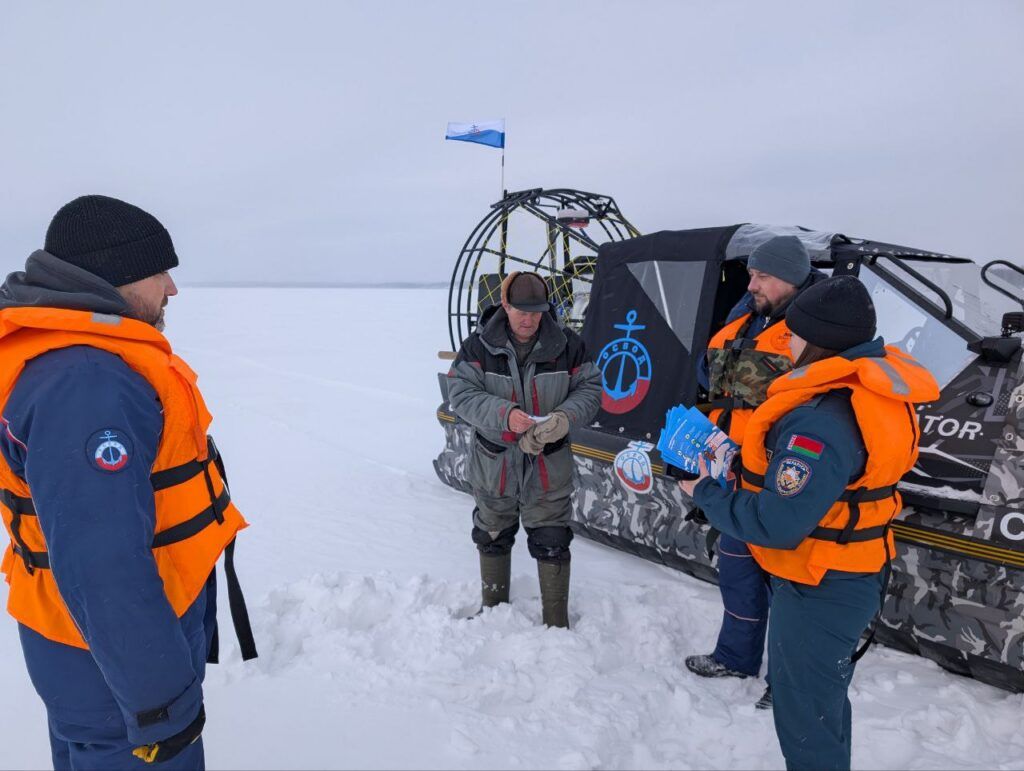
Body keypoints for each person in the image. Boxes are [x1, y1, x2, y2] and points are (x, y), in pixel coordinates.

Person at [0, 195, 256, 769]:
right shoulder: (86, 382)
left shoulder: (73, 360)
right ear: (111, 275)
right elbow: (102, 564)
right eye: (158, 272)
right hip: (115, 674)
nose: (171, 289)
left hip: (92, 654)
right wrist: (159, 704)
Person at [679, 275, 939, 770]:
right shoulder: (866, 388)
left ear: (819, 340)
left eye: (795, 334)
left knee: (806, 725)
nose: (787, 342)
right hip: (844, 569)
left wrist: (706, 491)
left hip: (820, 580)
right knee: (820, 709)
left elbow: (779, 523)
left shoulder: (820, 419)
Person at [688, 235, 823, 709]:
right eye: (752, 274)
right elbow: (711, 376)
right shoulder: (745, 317)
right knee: (738, 569)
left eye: (762, 275)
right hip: (732, 466)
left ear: (789, 276)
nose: (752, 283)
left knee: (787, 581)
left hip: (784, 474)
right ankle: (735, 656)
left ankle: (787, 681)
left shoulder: (818, 328)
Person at [447, 271, 601, 627]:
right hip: (494, 462)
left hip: (549, 463)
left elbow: (591, 389)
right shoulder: (478, 347)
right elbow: (461, 394)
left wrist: (563, 418)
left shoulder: (568, 345)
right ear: (505, 304)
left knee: (552, 537)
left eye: (537, 311)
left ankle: (556, 623)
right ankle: (494, 614)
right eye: (521, 311)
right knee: (491, 533)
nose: (529, 319)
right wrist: (505, 415)